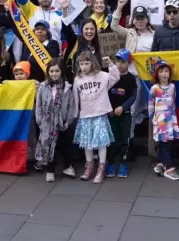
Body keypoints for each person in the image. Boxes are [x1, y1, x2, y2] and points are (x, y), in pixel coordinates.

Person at [73, 51, 120, 184]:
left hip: (99, 114)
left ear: (92, 63)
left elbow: (115, 77)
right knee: (87, 143)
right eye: (81, 64)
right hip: (85, 115)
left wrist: (110, 64)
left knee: (101, 143)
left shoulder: (102, 76)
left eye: (86, 63)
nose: (84, 66)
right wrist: (76, 114)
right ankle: (89, 166)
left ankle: (101, 167)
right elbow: (76, 98)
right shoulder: (77, 79)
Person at [35, 58, 77, 182]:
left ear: (61, 71)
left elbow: (70, 105)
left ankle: (69, 167)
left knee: (65, 145)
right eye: (51, 71)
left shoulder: (67, 88)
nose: (54, 74)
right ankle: (50, 170)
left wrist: (68, 121)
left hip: (61, 121)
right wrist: (39, 120)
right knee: (48, 145)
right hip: (47, 123)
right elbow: (39, 105)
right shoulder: (43, 87)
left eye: (57, 71)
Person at [106, 49, 137, 179]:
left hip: (125, 115)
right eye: (117, 61)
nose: (119, 64)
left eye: (122, 62)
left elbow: (133, 97)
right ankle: (111, 163)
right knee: (112, 139)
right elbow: (104, 94)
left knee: (125, 139)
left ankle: (123, 163)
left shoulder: (131, 78)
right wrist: (108, 108)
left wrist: (123, 107)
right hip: (111, 114)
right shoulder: (110, 77)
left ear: (128, 63)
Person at [149, 59, 179, 181]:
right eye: (161, 71)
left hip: (170, 119)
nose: (164, 74)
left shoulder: (173, 86)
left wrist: (173, 118)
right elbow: (151, 104)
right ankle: (169, 169)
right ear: (157, 74)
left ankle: (160, 164)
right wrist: (153, 118)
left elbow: (173, 101)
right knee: (165, 144)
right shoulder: (154, 88)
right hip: (160, 121)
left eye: (166, 71)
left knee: (166, 143)